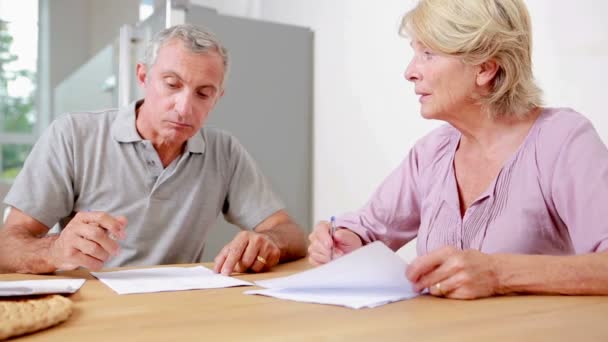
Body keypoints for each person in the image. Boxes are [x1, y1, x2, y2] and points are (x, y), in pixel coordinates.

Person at [308, 0, 608, 299]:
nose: (410, 72)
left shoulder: (562, 139)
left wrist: (498, 273)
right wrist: (343, 241)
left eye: (428, 53)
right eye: (415, 53)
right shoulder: (432, 153)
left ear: (485, 68)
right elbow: (367, 229)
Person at [0, 24, 307, 275]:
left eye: (203, 93)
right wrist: (54, 250)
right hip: (92, 309)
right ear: (143, 77)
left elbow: (290, 233)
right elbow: (6, 247)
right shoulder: (72, 135)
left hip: (176, 309)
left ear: (218, 98)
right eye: (172, 84)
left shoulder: (224, 151)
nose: (185, 108)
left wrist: (268, 242)